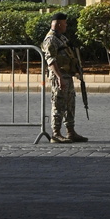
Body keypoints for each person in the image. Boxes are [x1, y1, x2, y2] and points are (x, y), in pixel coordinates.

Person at [41, 12, 87, 143]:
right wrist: (59, 77)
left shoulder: (61, 38)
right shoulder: (50, 40)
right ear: (59, 24)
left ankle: (70, 132)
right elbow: (51, 61)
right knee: (58, 104)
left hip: (67, 75)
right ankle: (56, 134)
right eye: (65, 23)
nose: (66, 25)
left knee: (69, 104)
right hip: (59, 76)